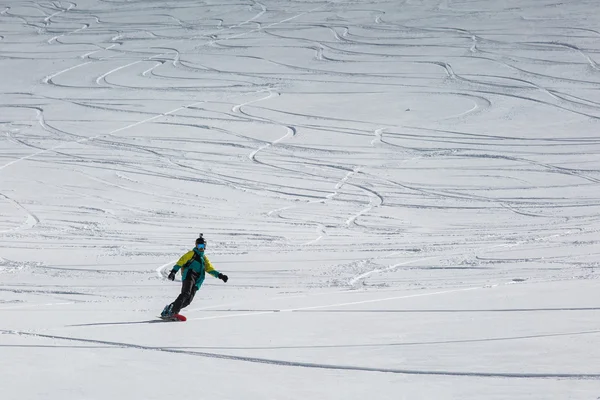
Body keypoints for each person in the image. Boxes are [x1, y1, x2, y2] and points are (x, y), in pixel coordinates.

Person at [161, 234, 228, 318]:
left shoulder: (204, 259)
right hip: (189, 275)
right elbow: (181, 261)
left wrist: (220, 276)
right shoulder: (191, 253)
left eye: (202, 245)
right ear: (196, 245)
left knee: (188, 301)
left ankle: (170, 309)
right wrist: (174, 271)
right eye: (199, 245)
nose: (201, 247)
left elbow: (210, 269)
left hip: (198, 281)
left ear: (205, 246)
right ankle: (174, 311)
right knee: (185, 294)